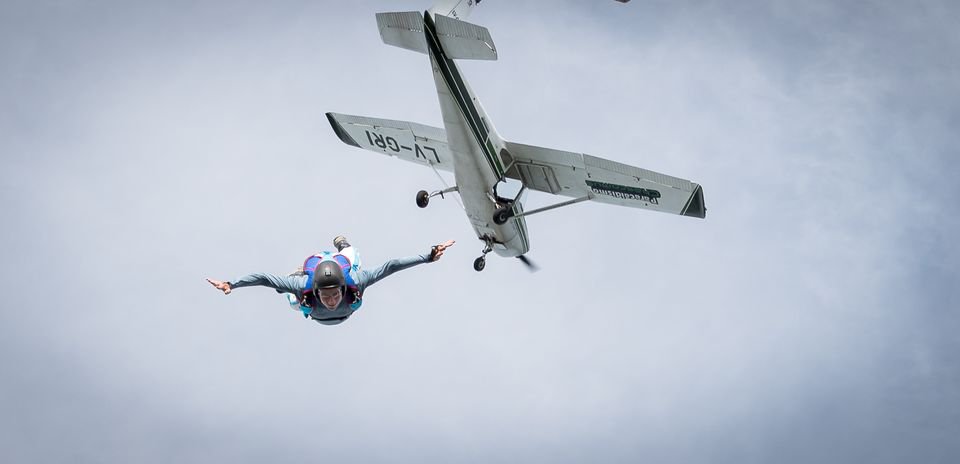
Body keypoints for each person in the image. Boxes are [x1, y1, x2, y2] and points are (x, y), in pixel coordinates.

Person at [206, 236, 455, 325]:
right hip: (309, 286)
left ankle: (342, 244)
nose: (332, 299)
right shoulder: (305, 288)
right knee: (292, 300)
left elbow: (390, 266)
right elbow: (263, 278)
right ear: (317, 291)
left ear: (343, 287)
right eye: (326, 296)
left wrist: (427, 257)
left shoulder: (355, 280)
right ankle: (291, 280)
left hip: (339, 264)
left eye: (334, 294)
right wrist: (232, 284)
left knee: (352, 254)